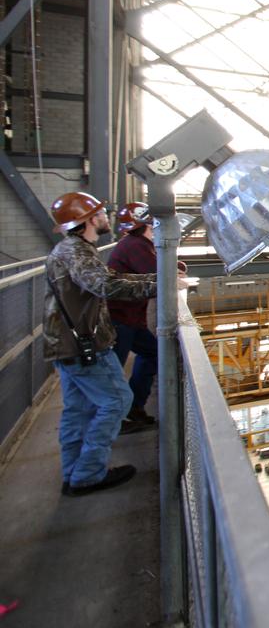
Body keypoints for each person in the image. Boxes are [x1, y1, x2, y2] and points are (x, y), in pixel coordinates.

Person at [45, 192, 157, 496]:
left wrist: (156, 280)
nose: (107, 216)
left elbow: (109, 276)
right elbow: (105, 284)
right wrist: (160, 284)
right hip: (84, 345)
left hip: (69, 344)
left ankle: (73, 474)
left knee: (78, 410)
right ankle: (88, 473)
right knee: (117, 401)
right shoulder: (76, 252)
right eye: (100, 212)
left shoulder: (75, 249)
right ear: (88, 219)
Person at [108, 202, 161, 426]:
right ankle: (116, 418)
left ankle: (133, 407)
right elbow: (158, 271)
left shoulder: (136, 244)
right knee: (112, 375)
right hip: (121, 320)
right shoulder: (136, 246)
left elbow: (159, 268)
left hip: (128, 319)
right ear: (147, 224)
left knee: (153, 352)